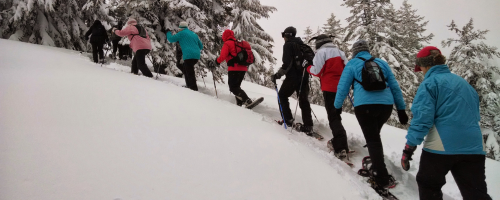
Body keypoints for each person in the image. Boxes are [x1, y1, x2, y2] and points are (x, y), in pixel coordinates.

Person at [401, 46, 491, 200]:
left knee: (428, 184)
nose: (421, 71)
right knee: (476, 193)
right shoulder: (464, 84)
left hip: (441, 146)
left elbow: (422, 119)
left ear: (426, 65)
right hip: (474, 147)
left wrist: (409, 148)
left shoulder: (430, 84)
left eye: (421, 67)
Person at [334, 40, 408, 189]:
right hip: (385, 107)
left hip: (365, 107)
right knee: (374, 136)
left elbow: (343, 88)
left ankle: (381, 176)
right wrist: (401, 109)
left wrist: (336, 107)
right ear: (367, 50)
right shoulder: (381, 63)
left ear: (355, 51)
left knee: (373, 139)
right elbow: (394, 87)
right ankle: (377, 164)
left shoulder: (352, 64)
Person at [304, 34, 349, 159]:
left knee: (333, 116)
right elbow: (347, 69)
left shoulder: (321, 52)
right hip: (342, 88)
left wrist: (307, 67)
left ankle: (340, 146)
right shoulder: (340, 52)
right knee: (337, 115)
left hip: (329, 88)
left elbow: (317, 71)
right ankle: (341, 141)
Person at [271, 26, 313, 132]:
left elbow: (287, 63)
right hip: (304, 75)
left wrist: (278, 74)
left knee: (282, 96)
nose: (283, 37)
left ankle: (287, 120)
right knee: (304, 100)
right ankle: (308, 126)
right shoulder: (301, 45)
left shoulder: (288, 45)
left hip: (293, 76)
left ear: (288, 35)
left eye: (283, 35)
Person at [212, 29, 255, 107]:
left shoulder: (228, 43)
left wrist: (216, 62)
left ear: (225, 36)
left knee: (233, 87)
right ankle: (239, 104)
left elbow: (223, 56)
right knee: (237, 87)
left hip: (234, 68)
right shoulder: (238, 43)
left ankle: (247, 100)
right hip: (243, 68)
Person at [166, 21, 204, 91]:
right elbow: (201, 46)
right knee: (187, 70)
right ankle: (189, 86)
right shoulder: (193, 34)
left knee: (189, 72)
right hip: (196, 55)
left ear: (180, 27)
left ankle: (193, 88)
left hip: (188, 55)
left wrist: (168, 32)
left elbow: (171, 39)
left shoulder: (181, 33)